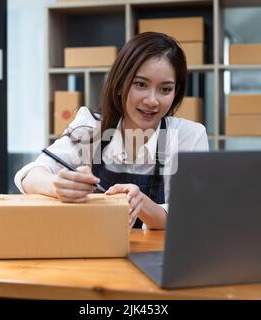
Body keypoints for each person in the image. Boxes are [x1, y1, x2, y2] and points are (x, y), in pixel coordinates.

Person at [15, 32, 209, 230]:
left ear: (176, 92)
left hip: (158, 256)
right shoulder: (91, 126)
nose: (152, 100)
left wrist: (141, 202)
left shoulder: (189, 136)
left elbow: (191, 215)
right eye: (140, 84)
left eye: (165, 89)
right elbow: (29, 176)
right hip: (94, 249)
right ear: (119, 85)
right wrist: (59, 185)